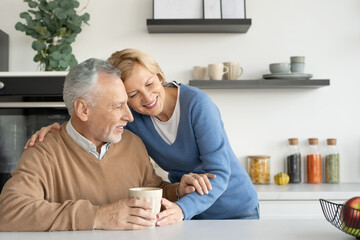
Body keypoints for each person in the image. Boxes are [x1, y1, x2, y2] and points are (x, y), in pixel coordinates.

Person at [25, 49, 259, 220]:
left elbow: (218, 173)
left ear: (159, 75)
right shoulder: (134, 116)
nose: (147, 98)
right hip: (185, 209)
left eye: (149, 83)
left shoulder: (196, 104)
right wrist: (60, 129)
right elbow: (96, 115)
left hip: (233, 208)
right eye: (132, 95)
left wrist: (183, 208)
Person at [0, 58, 213, 231]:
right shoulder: (44, 151)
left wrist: (177, 192)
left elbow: (153, 189)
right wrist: (97, 216)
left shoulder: (132, 144)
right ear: (83, 110)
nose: (130, 116)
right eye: (118, 106)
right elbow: (8, 211)